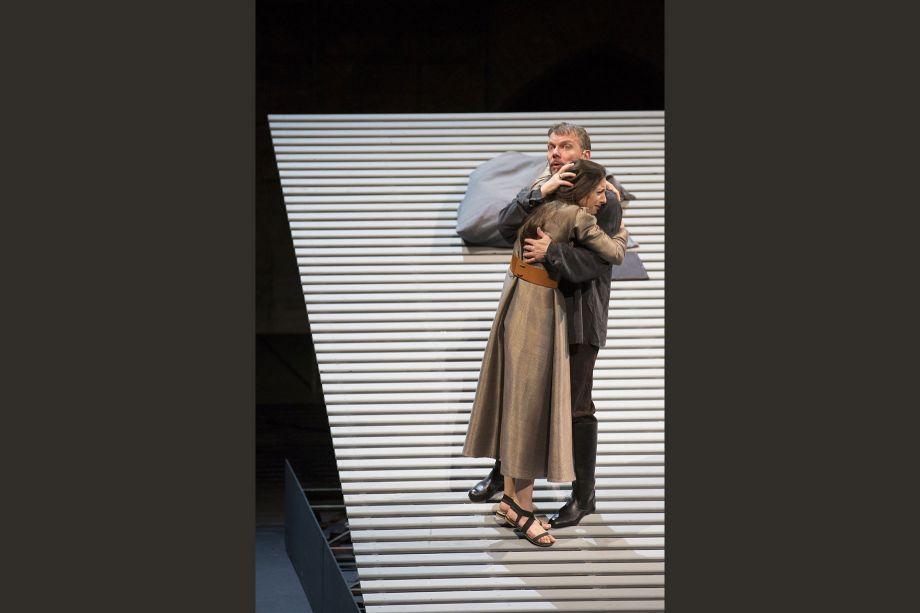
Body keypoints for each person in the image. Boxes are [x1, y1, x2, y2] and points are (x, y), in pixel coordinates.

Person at [467, 122, 628, 530]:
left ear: (585, 155)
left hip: (578, 317)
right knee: (519, 391)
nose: (556, 153)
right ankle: (505, 475)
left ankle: (583, 496)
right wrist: (539, 193)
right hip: (539, 310)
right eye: (552, 146)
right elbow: (505, 227)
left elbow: (598, 262)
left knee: (576, 405)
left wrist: (552, 252)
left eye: (566, 146)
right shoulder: (545, 186)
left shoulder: (605, 198)